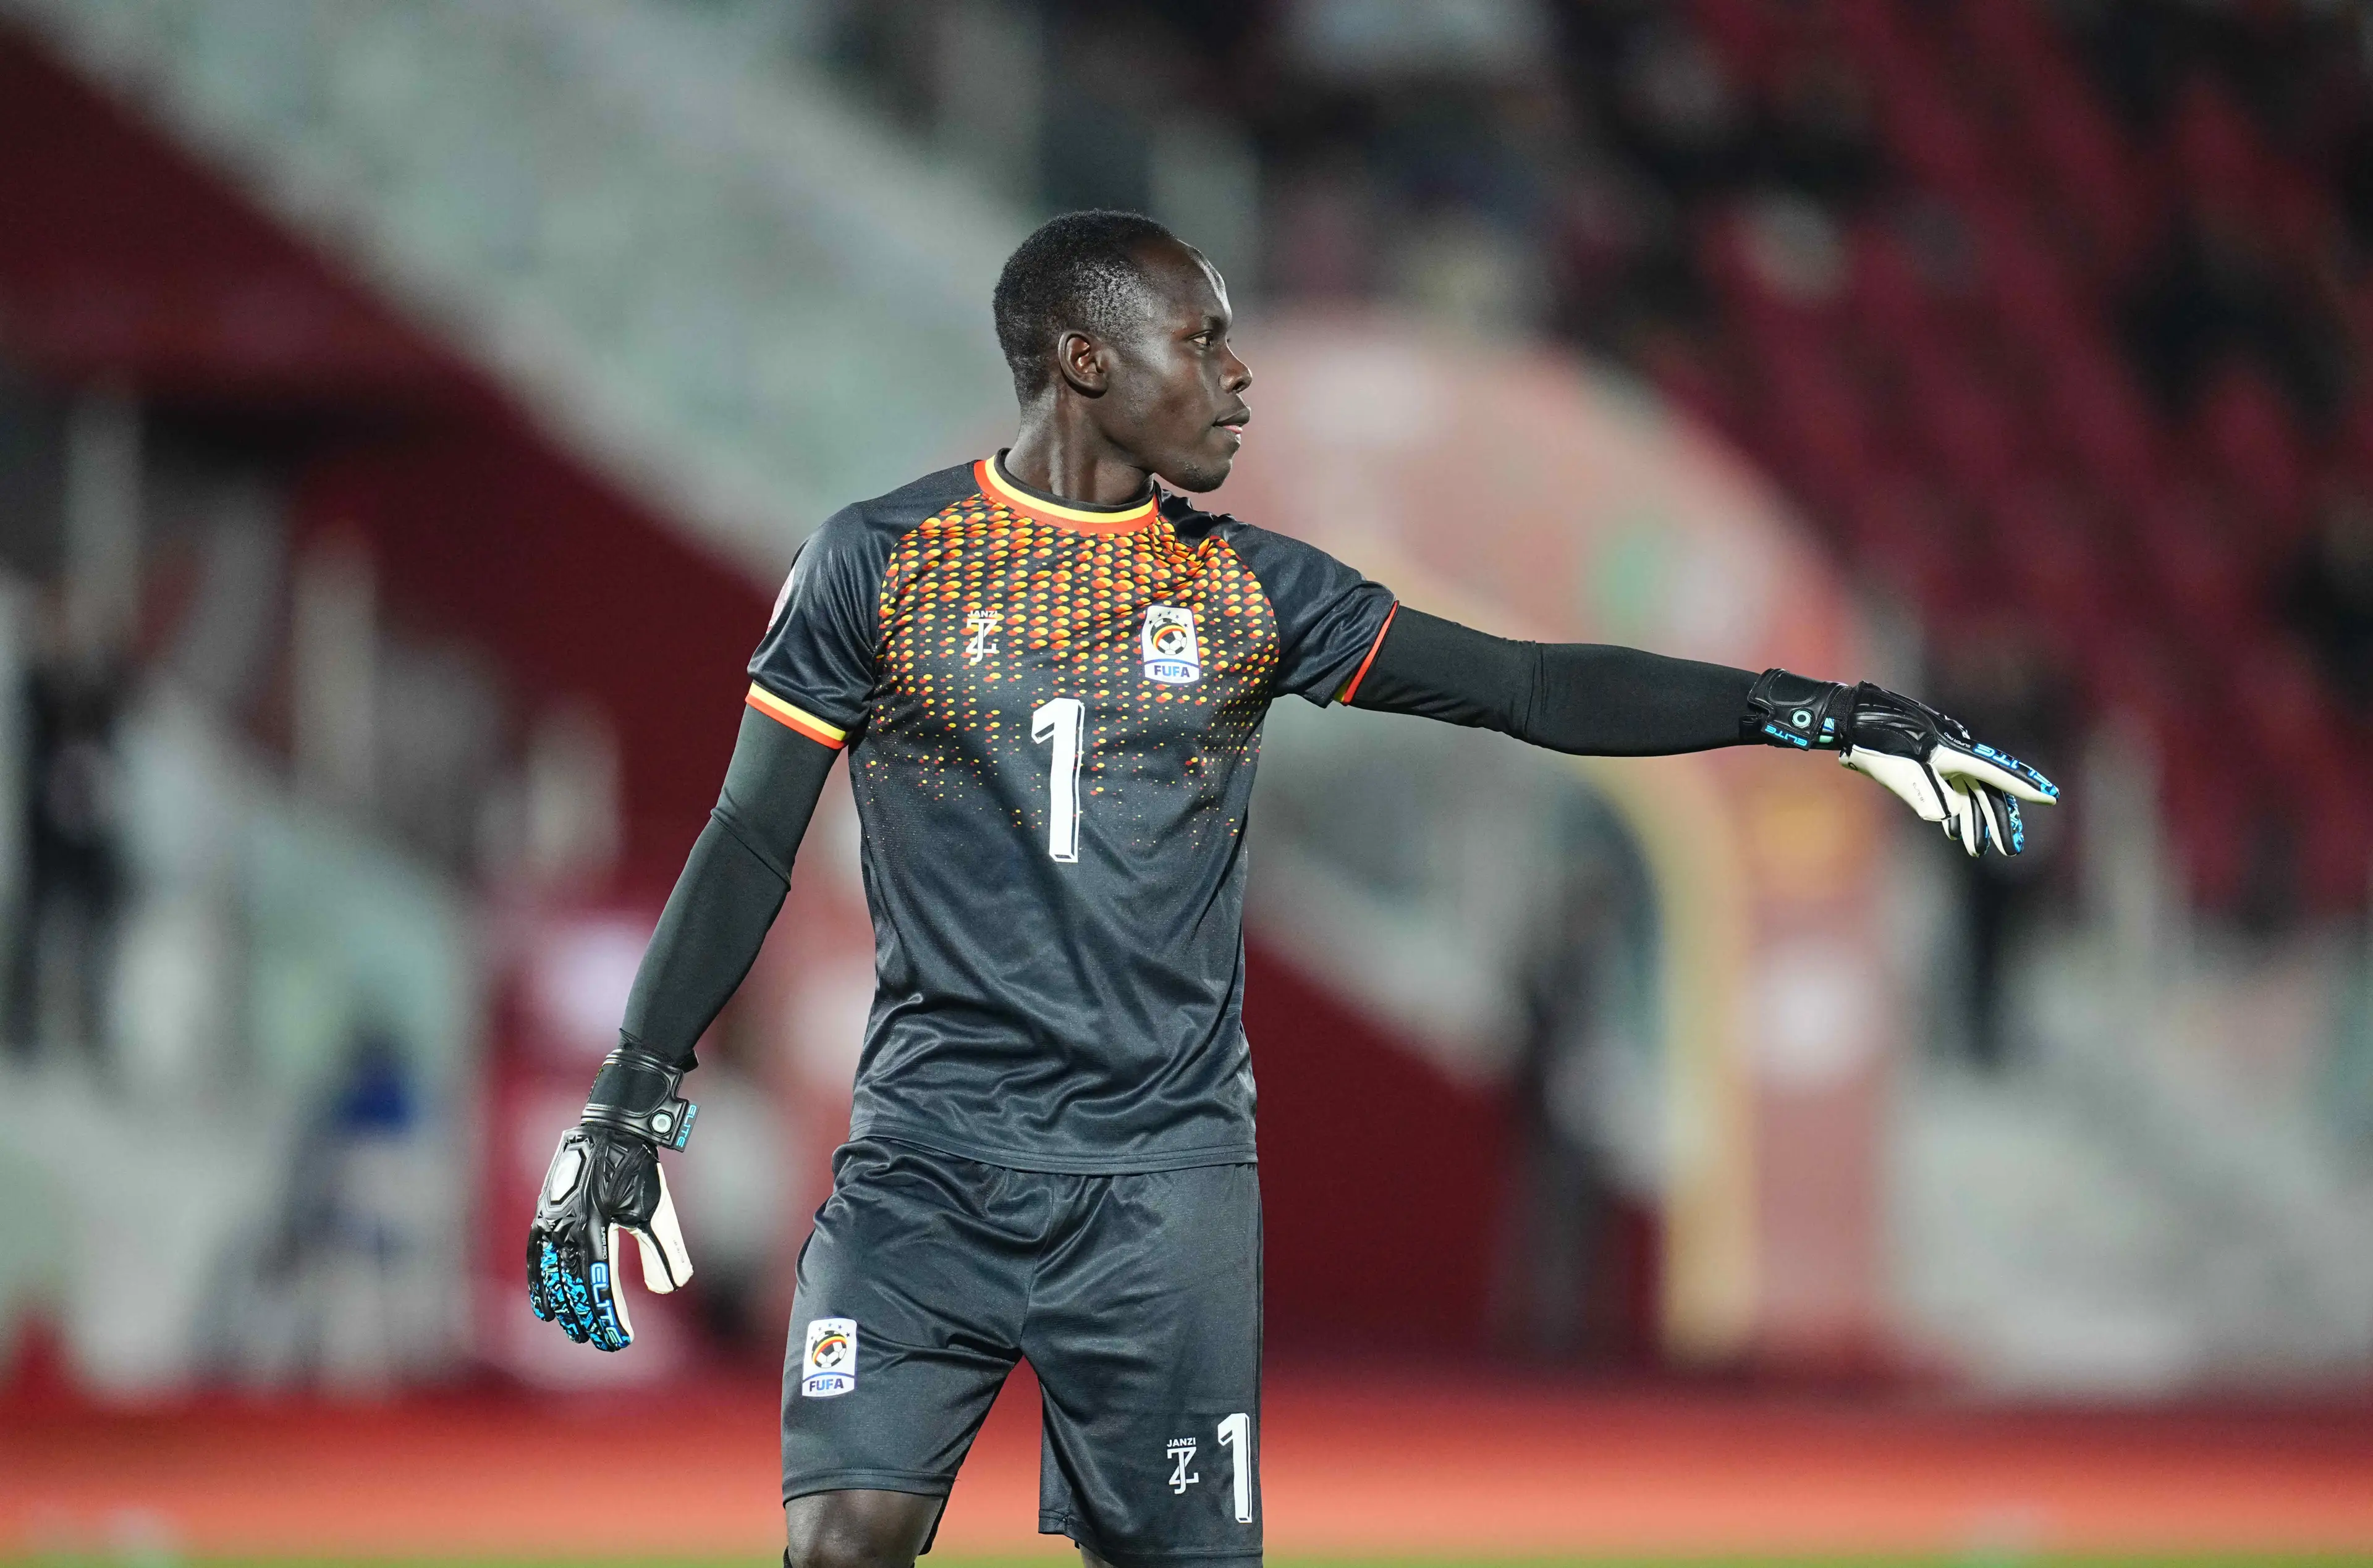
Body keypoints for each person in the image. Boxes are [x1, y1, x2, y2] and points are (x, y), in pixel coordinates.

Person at [526, 211, 2057, 1568]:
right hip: (928, 1168)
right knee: (842, 1545)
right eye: (1203, 340)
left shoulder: (1250, 591)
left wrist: (1812, 710)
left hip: (1162, 1190)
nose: (1239, 378)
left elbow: (1525, 684)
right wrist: (630, 1100)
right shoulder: (878, 563)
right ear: (1085, 362)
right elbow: (746, 843)